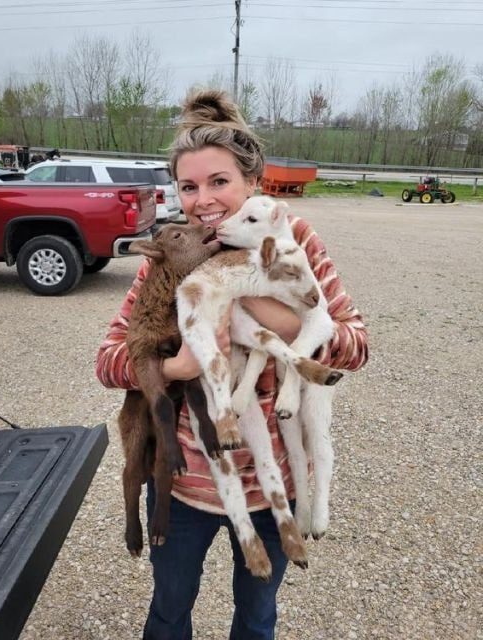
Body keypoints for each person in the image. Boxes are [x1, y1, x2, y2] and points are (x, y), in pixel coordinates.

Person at [96, 89, 368, 640]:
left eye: (219, 181)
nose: (204, 201)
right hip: (183, 485)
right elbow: (109, 360)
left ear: (253, 182)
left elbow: (355, 345)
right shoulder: (174, 252)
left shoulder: (291, 240)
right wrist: (175, 369)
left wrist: (279, 318)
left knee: (257, 617)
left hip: (272, 489)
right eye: (189, 187)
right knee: (169, 611)